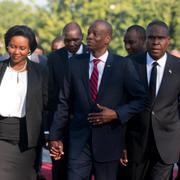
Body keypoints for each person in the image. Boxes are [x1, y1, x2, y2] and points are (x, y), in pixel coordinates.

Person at [49, 20, 146, 180]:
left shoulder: (122, 65)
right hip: (79, 143)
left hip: (109, 142)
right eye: (88, 33)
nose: (89, 37)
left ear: (107, 39)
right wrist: (54, 136)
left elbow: (141, 100)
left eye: (95, 34)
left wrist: (116, 113)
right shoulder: (74, 64)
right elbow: (63, 102)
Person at [123, 20, 180, 180]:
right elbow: (124, 103)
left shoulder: (178, 67)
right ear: (145, 39)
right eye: (151, 37)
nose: (156, 42)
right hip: (136, 143)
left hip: (167, 143)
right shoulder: (130, 64)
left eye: (160, 38)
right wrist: (122, 144)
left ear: (168, 40)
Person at [0, 25, 48, 179]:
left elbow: (47, 104)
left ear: (29, 50)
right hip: (1, 135)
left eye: (22, 48)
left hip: (28, 139)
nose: (16, 51)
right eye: (12, 46)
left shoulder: (40, 72)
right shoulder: (0, 68)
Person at [46, 22, 88, 180]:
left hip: (86, 124)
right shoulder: (54, 58)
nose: (72, 44)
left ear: (82, 37)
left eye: (76, 40)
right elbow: (50, 92)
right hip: (61, 122)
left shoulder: (93, 54)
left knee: (81, 170)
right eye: (68, 40)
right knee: (59, 169)